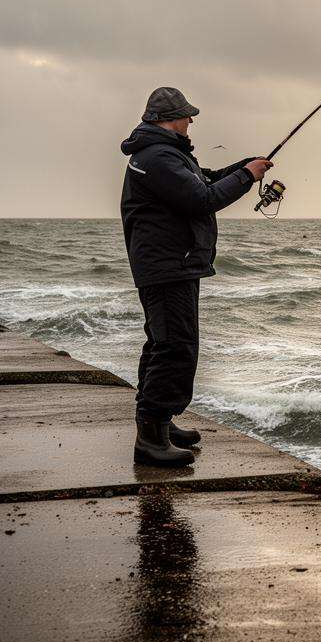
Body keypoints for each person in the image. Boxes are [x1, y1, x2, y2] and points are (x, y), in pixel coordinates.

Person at [120, 87, 272, 466]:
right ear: (170, 118)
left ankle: (159, 422)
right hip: (167, 265)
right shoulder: (157, 158)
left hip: (171, 264)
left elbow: (204, 182)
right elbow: (202, 199)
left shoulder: (165, 155)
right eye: (188, 116)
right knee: (174, 346)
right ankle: (150, 438)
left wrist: (244, 169)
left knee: (163, 342)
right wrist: (245, 177)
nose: (192, 122)